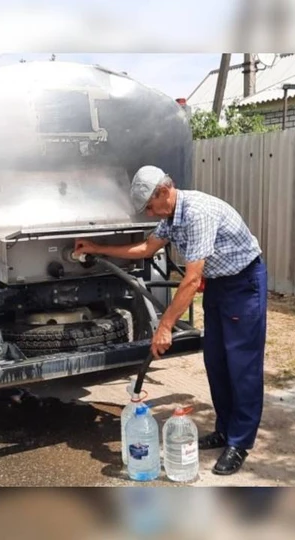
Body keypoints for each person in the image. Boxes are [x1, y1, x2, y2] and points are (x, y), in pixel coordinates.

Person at [74, 165, 267, 475]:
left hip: (243, 285)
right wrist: (98, 248)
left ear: (164, 192)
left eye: (150, 205)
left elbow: (191, 280)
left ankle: (240, 442)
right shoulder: (170, 216)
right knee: (216, 361)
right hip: (219, 284)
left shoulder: (196, 213)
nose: (150, 213)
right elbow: (146, 248)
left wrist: (164, 326)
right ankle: (224, 430)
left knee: (241, 364)